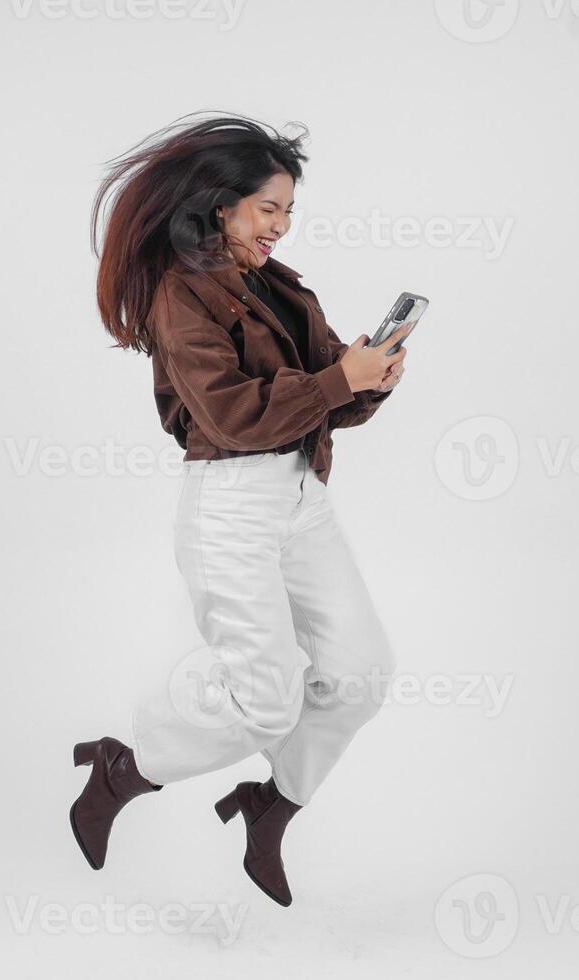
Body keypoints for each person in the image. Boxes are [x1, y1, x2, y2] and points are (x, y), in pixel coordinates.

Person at [71, 112, 410, 907]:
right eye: (269, 209)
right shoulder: (178, 294)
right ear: (220, 203)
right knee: (265, 697)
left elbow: (323, 404)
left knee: (362, 674)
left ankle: (271, 804)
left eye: (289, 212)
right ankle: (125, 767)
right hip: (229, 503)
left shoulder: (280, 286)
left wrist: (368, 381)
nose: (281, 227)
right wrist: (338, 382)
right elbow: (229, 415)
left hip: (297, 494)